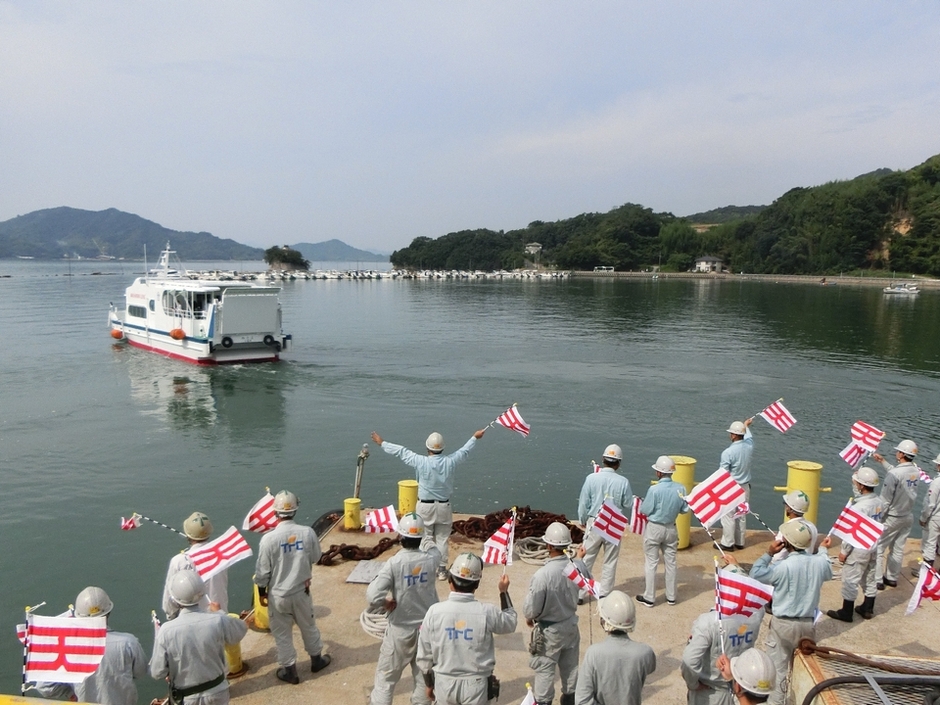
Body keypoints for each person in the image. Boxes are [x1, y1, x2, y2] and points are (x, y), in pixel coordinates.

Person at [372, 428, 486, 580]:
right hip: (444, 506)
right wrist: (474, 437)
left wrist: (382, 443)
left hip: (425, 506)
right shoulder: (450, 462)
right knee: (442, 539)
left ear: (427, 448)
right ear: (443, 448)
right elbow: (464, 451)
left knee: (425, 537)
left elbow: (402, 452)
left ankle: (425, 565)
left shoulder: (421, 461)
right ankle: (441, 569)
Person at [743, 520, 832, 705]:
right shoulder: (819, 563)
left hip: (783, 624)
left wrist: (769, 553)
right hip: (808, 624)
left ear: (787, 543)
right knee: (804, 669)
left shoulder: (782, 567)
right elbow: (827, 566)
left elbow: (756, 574)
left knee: (777, 671)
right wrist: (823, 549)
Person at [416, 553, 517, 705]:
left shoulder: (434, 612)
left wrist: (429, 684)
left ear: (450, 580)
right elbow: (510, 622)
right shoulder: (487, 612)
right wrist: (504, 592)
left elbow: (424, 654)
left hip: (444, 683)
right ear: (476, 584)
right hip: (476, 686)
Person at [254, 490, 331, 685]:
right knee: (309, 626)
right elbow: (315, 557)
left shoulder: (268, 540)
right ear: (295, 510)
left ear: (275, 513)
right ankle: (316, 660)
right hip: (301, 591)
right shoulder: (307, 533)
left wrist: (263, 590)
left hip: (278, 595)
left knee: (282, 634)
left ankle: (290, 671)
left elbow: (262, 572)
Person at [366, 512, 440, 705]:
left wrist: (385, 603)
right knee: (424, 678)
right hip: (427, 631)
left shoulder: (395, 563)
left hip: (400, 629)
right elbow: (433, 548)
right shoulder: (432, 559)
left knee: (386, 679)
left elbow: (373, 595)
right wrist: (426, 538)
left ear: (401, 537)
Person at [33, 587, 147, 705]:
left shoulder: (68, 649)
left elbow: (44, 687)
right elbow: (141, 672)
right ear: (108, 612)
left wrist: (71, 693)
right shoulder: (128, 643)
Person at [150, 571, 248, 705]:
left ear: (175, 599)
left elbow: (157, 672)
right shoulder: (217, 619)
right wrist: (220, 612)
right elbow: (240, 630)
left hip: (186, 697)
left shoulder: (166, 631)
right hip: (218, 692)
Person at [681, 566, 764, 705]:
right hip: (741, 690)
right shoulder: (756, 613)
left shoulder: (707, 622)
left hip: (710, 693)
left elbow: (689, 661)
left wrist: (693, 684)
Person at [523, 522, 583, 705]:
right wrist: (580, 558)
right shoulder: (576, 568)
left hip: (549, 633)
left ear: (548, 546)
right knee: (571, 674)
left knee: (544, 679)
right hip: (571, 626)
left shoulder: (543, 575)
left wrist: (529, 617)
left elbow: (530, 610)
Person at [574, 591, 656, 705]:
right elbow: (651, 668)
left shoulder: (593, 653)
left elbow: (582, 700)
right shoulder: (645, 652)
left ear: (603, 622)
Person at [827, 466, 885, 622]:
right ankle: (868, 608)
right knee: (870, 576)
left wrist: (844, 552)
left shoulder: (859, 507)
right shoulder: (878, 501)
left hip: (859, 548)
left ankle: (846, 612)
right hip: (873, 545)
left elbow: (851, 533)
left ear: (861, 486)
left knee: (850, 579)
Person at [577, 444, 633, 598]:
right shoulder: (623, 482)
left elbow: (583, 503)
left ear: (603, 459)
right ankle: (605, 594)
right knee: (610, 560)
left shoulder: (591, 478)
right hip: (613, 523)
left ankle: (581, 593)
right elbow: (628, 504)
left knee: (587, 557)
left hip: (594, 521)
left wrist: (582, 520)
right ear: (618, 463)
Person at [636, 455, 689, 607]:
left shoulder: (654, 489)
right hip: (671, 528)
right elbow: (685, 509)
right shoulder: (681, 488)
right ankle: (671, 596)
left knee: (651, 563)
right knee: (671, 562)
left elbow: (645, 510)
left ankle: (650, 597)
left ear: (659, 473)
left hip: (654, 528)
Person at [872, 439, 921, 589]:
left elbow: (885, 500)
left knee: (878, 547)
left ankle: (878, 580)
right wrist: (883, 462)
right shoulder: (915, 471)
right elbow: (899, 474)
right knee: (898, 548)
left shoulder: (894, 474)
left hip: (892, 516)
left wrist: (876, 517)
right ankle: (892, 577)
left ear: (901, 454)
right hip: (907, 516)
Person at [162, 511, 228, 620]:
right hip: (221, 617)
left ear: (188, 534)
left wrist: (171, 616)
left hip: (192, 621)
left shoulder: (179, 561)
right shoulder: (221, 554)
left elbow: (170, 599)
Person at [719, 419, 754, 551]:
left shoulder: (728, 452)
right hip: (745, 486)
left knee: (728, 516)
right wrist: (746, 426)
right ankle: (740, 542)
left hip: (732, 486)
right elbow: (749, 437)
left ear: (733, 435)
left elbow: (723, 473)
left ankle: (727, 543)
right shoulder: (750, 446)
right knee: (741, 514)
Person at [770, 491, 818, 563]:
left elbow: (776, 558)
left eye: (785, 504)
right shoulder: (812, 526)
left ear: (789, 508)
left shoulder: (786, 530)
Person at [919, 452, 940, 571]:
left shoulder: (936, 482)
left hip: (935, 517)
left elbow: (930, 503)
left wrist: (923, 518)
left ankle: (926, 572)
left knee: (930, 545)